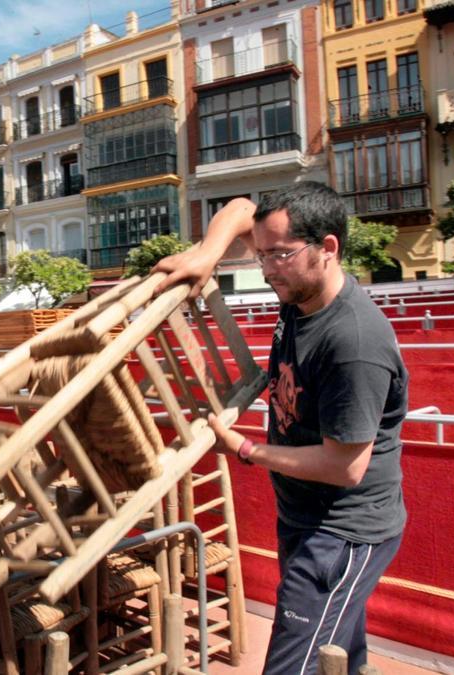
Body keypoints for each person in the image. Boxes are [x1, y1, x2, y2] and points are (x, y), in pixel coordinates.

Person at [154, 181, 407, 675]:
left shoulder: (353, 342)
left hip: (342, 532)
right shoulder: (302, 292)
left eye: (280, 256)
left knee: (291, 665)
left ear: (328, 248)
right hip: (303, 515)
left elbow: (344, 466)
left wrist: (247, 448)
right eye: (262, 255)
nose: (267, 269)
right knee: (340, 659)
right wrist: (208, 255)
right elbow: (243, 207)